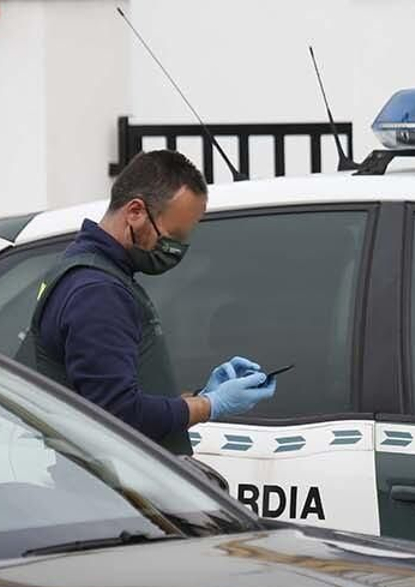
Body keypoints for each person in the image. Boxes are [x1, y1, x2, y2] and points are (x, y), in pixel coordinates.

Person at [15, 150, 274, 455]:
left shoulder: (90, 271)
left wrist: (200, 395)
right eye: (171, 236)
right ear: (135, 212)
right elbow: (118, 415)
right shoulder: (97, 292)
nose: (175, 250)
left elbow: (111, 394)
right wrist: (209, 406)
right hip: (108, 488)